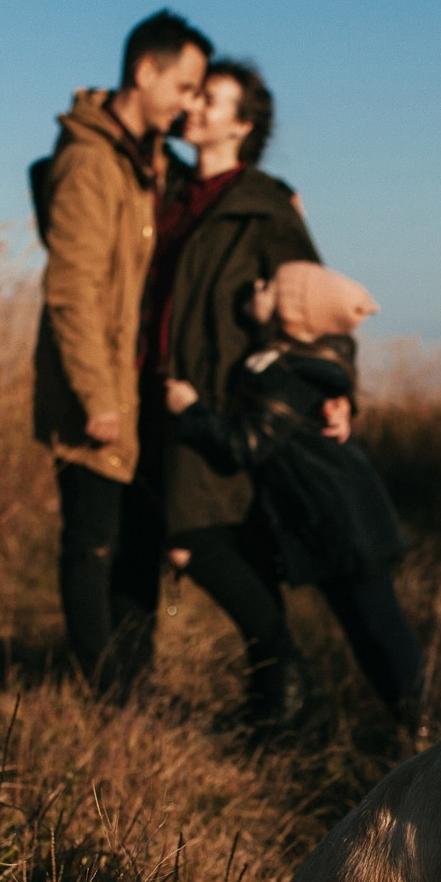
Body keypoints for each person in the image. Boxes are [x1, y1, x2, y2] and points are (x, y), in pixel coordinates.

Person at [30, 10, 210, 693]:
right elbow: (70, 287)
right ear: (145, 71)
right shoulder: (89, 160)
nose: (187, 104)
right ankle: (104, 692)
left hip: (138, 387)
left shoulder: (147, 159)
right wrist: (95, 395)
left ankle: (134, 682)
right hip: (98, 387)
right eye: (183, 86)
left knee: (139, 542)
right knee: (93, 543)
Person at [140, 59, 325, 725]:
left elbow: (314, 300)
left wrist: (336, 387)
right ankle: (273, 699)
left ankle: (291, 680)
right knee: (223, 541)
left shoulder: (262, 203)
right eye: (193, 94)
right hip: (161, 391)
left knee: (198, 540)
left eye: (211, 100)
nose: (194, 107)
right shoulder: (173, 190)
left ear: (243, 125)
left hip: (222, 398)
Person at [165, 261, 423, 727]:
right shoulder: (279, 363)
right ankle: (407, 720)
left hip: (344, 524)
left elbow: (246, 445)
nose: (255, 284)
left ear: (291, 312)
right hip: (328, 521)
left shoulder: (291, 374)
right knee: (364, 630)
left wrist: (191, 410)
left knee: (379, 631)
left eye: (269, 285)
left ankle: (423, 722)